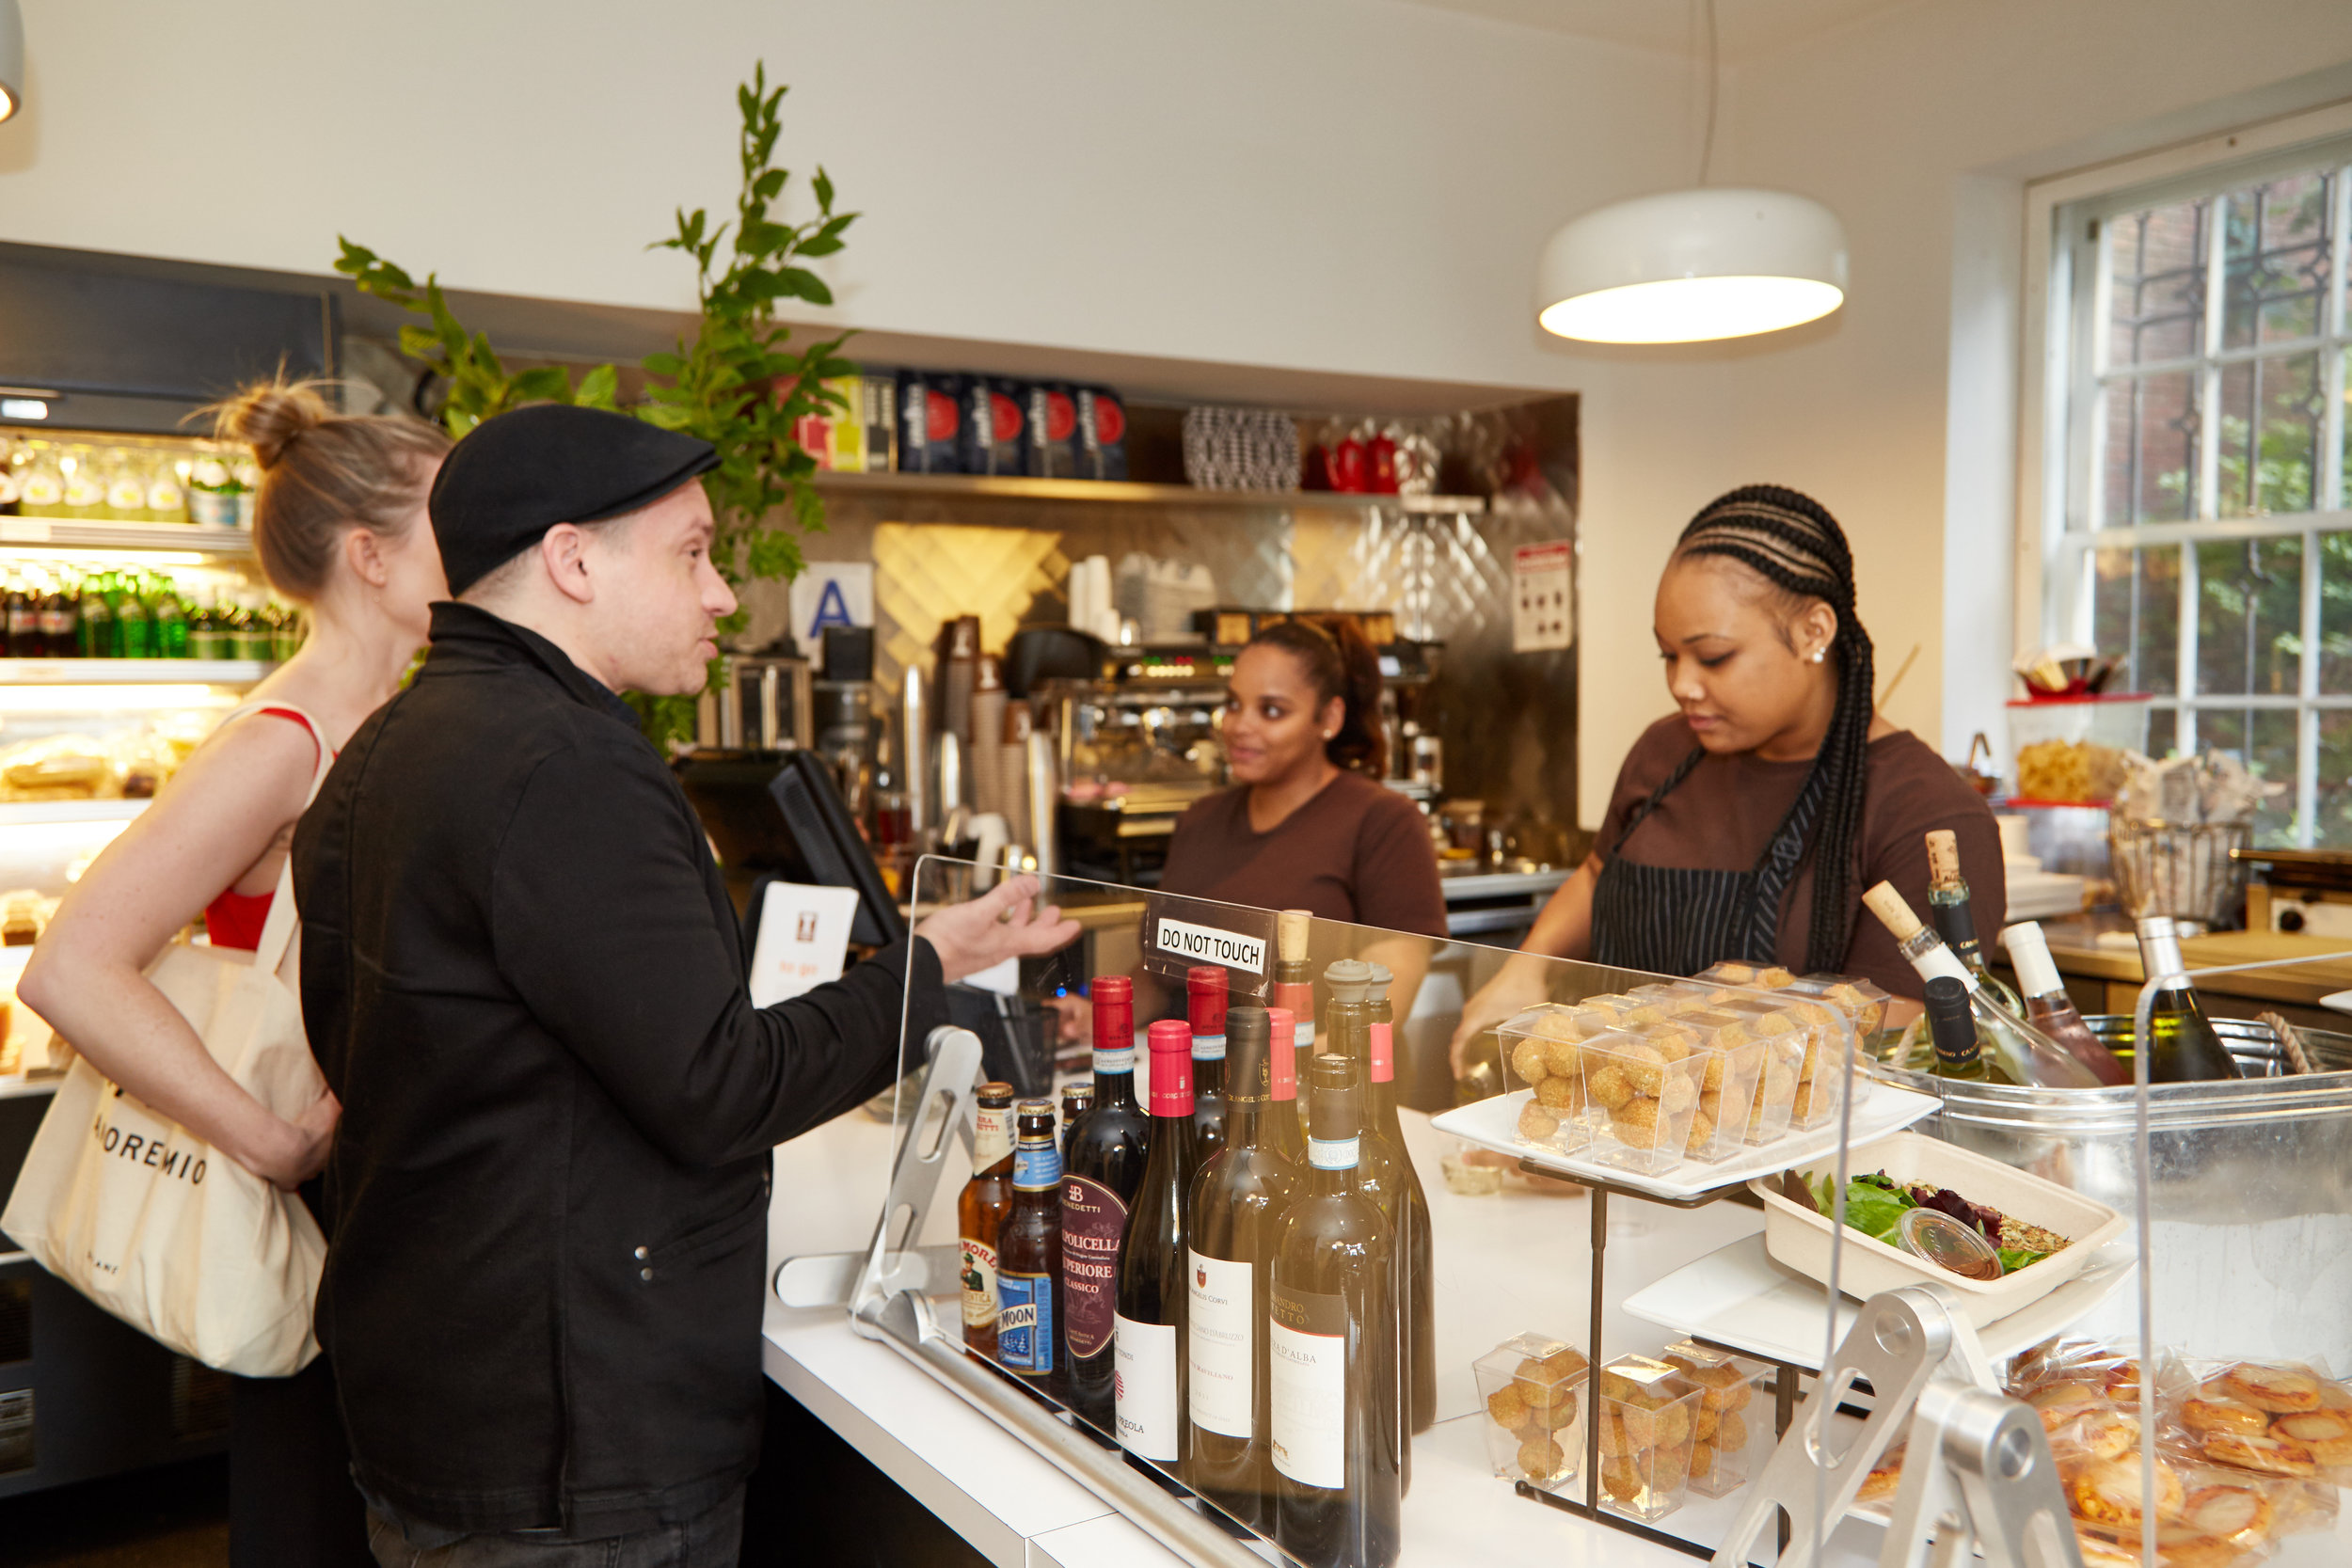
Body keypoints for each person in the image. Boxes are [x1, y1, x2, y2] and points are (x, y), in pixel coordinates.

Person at [291, 404, 1076, 1568]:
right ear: (572, 560)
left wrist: (929, 955)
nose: (720, 593)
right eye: (693, 552)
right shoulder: (571, 763)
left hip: (437, 1392)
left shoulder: (383, 746)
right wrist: (925, 972)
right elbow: (718, 1087)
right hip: (577, 1441)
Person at [18, 379, 452, 1567]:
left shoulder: (393, 721)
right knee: (308, 1513)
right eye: (446, 515)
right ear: (370, 554)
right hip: (304, 1199)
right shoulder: (282, 740)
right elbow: (72, 966)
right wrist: (268, 1141)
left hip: (378, 1206)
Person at [1452, 484, 2002, 1071]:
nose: (1682, 684)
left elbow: (1901, 1038)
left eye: (1711, 657)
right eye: (1668, 655)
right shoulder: (1663, 752)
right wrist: (1526, 968)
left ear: (1815, 632)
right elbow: (1596, 876)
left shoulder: (1926, 814)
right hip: (1609, 1132)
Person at [1159, 614, 1445, 1016]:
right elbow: (1165, 976)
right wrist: (1090, 1015)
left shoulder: (1385, 822)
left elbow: (1382, 1005)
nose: (1241, 725)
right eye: (1233, 704)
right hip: (1194, 1071)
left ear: (1328, 719)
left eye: (1272, 710)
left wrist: (1277, 1071)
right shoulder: (1200, 819)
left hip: (1320, 1074)